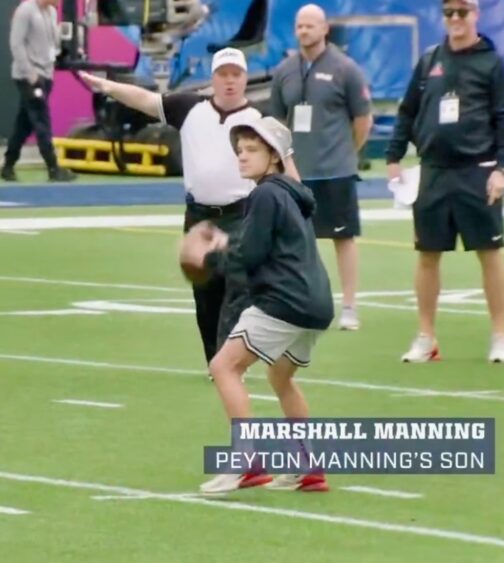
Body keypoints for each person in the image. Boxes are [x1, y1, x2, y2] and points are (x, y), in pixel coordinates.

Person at [80, 49, 283, 379]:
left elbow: (281, 166)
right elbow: (146, 100)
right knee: (205, 294)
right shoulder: (189, 108)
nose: (230, 81)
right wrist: (108, 87)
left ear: (245, 78)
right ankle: (214, 361)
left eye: (236, 74)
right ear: (214, 77)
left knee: (238, 288)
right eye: (223, 74)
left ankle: (231, 363)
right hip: (199, 216)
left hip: (241, 214)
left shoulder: (260, 121)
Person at [192, 116, 334, 493]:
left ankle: (246, 463)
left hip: (285, 301)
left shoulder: (266, 194)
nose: (242, 156)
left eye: (252, 150)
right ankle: (308, 466)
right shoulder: (288, 192)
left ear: (274, 156)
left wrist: (210, 256)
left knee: (223, 366)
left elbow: (249, 255)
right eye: (240, 150)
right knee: (280, 376)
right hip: (316, 303)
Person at [385, 0, 504, 363]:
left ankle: (500, 337)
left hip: (478, 169)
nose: (455, 19)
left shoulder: (491, 62)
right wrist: (394, 155)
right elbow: (408, 110)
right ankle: (426, 337)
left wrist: (501, 169)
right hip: (434, 171)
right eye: (449, 12)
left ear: (476, 14)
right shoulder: (429, 60)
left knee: (490, 254)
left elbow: (503, 117)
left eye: (462, 11)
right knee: (428, 255)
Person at [269, 4, 373, 331]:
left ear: (325, 28)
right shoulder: (284, 70)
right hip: (296, 172)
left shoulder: (346, 69)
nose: (304, 31)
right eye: (300, 26)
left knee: (344, 239)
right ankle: (300, 302)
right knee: (296, 241)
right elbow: (276, 121)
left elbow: (363, 119)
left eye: (310, 26)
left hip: (336, 171)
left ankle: (350, 306)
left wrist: (346, 152)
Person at [3, 0, 76, 182]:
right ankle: (53, 167)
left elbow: (53, 43)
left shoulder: (51, 13)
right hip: (29, 77)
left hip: (46, 75)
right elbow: (16, 44)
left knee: (24, 123)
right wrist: (30, 74)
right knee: (41, 119)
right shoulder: (25, 10)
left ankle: (8, 166)